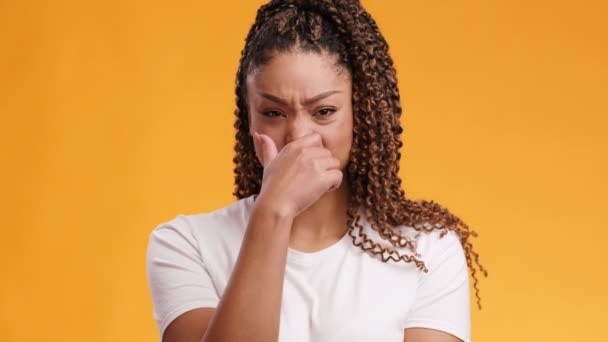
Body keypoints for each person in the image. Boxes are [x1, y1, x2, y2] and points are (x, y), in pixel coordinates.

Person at [146, 0, 488, 341]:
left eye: (324, 111)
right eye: (273, 113)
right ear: (248, 116)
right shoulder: (186, 244)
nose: (298, 137)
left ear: (361, 112)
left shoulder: (428, 250)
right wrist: (274, 211)